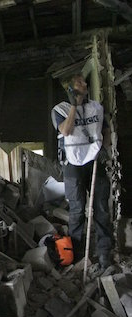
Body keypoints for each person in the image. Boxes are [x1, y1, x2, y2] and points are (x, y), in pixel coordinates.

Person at [51, 74, 113, 269]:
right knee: (77, 210)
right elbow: (66, 130)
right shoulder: (59, 110)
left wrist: (106, 147)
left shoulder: (96, 107)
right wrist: (73, 106)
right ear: (70, 88)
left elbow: (105, 129)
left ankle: (104, 255)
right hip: (73, 163)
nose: (84, 86)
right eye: (79, 84)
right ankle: (77, 256)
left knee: (101, 209)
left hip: (95, 161)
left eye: (84, 83)